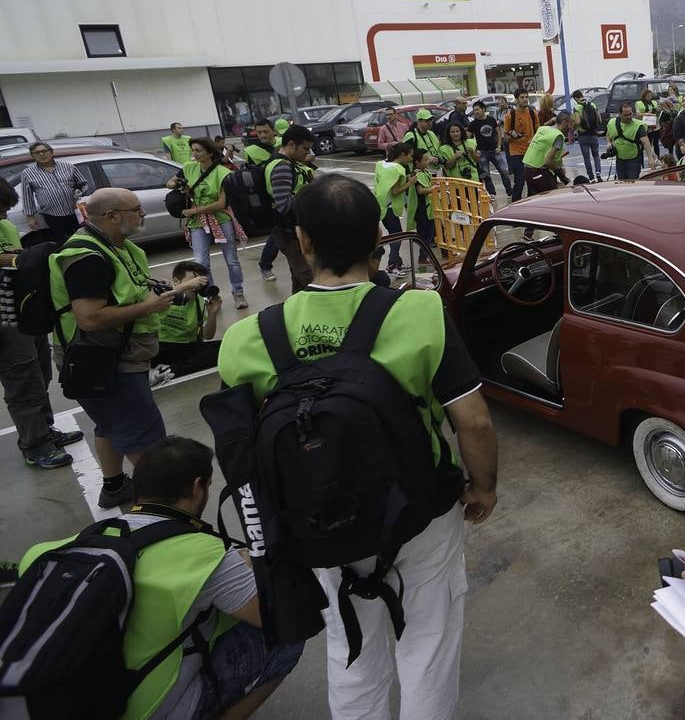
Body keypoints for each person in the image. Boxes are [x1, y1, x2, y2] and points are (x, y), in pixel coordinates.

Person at [218, 175, 498, 720]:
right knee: (428, 641)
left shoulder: (246, 339)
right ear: (377, 237)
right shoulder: (418, 312)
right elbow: (475, 422)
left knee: (350, 645)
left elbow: (245, 453)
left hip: (317, 524)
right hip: (418, 512)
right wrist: (482, 486)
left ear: (302, 241)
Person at [18, 436, 305, 718]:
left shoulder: (48, 554)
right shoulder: (204, 555)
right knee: (289, 637)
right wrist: (249, 564)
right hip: (145, 708)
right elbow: (281, 617)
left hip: (53, 703)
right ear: (197, 487)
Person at [50, 188, 205, 507]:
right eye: (137, 209)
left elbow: (132, 288)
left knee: (109, 425)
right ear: (112, 216)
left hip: (117, 356)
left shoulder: (119, 247)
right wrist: (149, 307)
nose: (144, 213)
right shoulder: (87, 258)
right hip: (106, 360)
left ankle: (113, 486)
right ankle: (167, 505)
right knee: (146, 440)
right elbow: (90, 318)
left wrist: (171, 291)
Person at [0, 178, 82, 469]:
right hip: (4, 321)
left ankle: (45, 430)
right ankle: (35, 445)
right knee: (22, 379)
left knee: (39, 371)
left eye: (6, 210)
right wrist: (18, 258)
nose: (3, 216)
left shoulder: (6, 226)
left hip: (24, 310)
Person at [166, 137, 247, 310]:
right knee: (201, 261)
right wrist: (178, 183)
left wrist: (194, 211)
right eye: (193, 150)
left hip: (220, 219)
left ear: (210, 152)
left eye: (198, 151)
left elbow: (221, 204)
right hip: (197, 223)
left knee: (231, 259)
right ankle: (210, 294)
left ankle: (238, 292)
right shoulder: (188, 168)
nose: (194, 154)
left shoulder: (223, 173)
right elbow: (169, 183)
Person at [265, 126, 317, 293]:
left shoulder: (284, 162)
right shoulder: (281, 166)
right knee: (308, 276)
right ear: (292, 144)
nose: (307, 153)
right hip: (288, 231)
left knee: (298, 278)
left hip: (290, 229)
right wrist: (310, 196)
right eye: (305, 148)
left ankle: (296, 311)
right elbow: (284, 205)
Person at [152, 260, 223, 380]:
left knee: (223, 348)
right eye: (194, 280)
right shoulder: (164, 294)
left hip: (185, 348)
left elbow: (206, 335)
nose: (197, 286)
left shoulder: (199, 301)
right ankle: (171, 369)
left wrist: (212, 313)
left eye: (200, 282)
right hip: (160, 347)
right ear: (176, 281)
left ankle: (170, 370)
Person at [20, 142, 89, 244]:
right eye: (37, 152)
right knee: (63, 242)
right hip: (53, 215)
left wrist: (80, 191)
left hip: (76, 211)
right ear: (33, 156)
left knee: (84, 237)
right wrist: (30, 217)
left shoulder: (68, 167)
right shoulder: (28, 173)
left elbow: (84, 184)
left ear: (51, 152)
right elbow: (27, 196)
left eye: (44, 151)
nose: (42, 154)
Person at [246, 121, 284, 282]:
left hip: (292, 191)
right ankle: (265, 265)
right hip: (271, 198)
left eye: (265, 131)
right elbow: (252, 178)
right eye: (259, 132)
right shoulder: (252, 151)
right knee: (277, 233)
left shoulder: (285, 142)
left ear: (273, 131)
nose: (262, 135)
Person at [374, 142, 414, 279]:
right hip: (390, 208)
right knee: (397, 235)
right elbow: (396, 191)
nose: (411, 159)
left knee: (394, 233)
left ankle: (398, 262)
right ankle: (392, 265)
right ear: (402, 155)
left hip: (381, 206)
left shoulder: (381, 164)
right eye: (410, 156)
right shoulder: (398, 169)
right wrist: (410, 183)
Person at [521, 110, 574, 196]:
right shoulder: (558, 136)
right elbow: (548, 161)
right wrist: (559, 170)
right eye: (572, 123)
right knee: (552, 196)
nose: (572, 127)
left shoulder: (543, 129)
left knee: (533, 199)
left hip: (527, 169)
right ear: (564, 123)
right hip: (538, 170)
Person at [470, 101, 512, 197]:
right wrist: (475, 150)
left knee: (504, 171)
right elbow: (469, 137)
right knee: (486, 174)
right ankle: (491, 193)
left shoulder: (491, 120)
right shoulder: (473, 124)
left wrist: (498, 146)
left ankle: (510, 191)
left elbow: (498, 132)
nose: (476, 112)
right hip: (482, 152)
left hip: (494, 150)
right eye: (474, 110)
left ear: (483, 109)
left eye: (478, 109)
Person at [503, 90, 539, 201]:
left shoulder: (533, 113)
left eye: (526, 97)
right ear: (516, 99)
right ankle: (515, 203)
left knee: (532, 180)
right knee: (520, 181)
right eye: (522, 97)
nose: (525, 99)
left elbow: (538, 131)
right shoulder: (510, 116)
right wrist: (513, 136)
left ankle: (531, 202)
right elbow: (505, 138)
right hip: (516, 152)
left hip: (531, 151)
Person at [608, 102, 656, 180]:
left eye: (630, 114)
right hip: (620, 160)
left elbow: (646, 142)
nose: (629, 117)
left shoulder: (638, 126)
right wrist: (609, 143)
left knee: (632, 183)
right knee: (622, 182)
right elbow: (608, 134)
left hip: (634, 160)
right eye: (626, 115)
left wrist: (650, 158)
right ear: (620, 114)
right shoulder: (612, 123)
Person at [405, 148, 437, 249]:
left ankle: (424, 254)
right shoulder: (417, 174)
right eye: (426, 159)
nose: (428, 161)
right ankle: (423, 256)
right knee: (425, 233)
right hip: (422, 209)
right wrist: (433, 189)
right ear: (417, 162)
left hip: (428, 208)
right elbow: (420, 190)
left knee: (429, 232)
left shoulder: (425, 172)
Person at [572, 89, 604, 180]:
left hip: (583, 136)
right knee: (596, 155)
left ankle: (591, 177)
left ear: (575, 98)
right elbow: (600, 120)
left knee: (587, 158)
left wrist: (574, 125)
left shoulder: (577, 108)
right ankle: (598, 172)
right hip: (593, 134)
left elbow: (577, 122)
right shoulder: (593, 105)